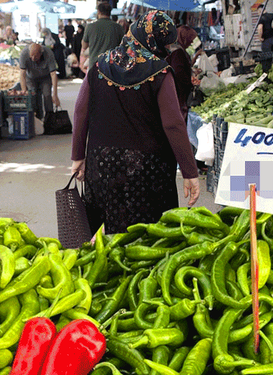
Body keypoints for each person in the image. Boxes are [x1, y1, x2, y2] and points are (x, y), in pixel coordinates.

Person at [70, 10, 201, 234]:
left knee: (108, 234)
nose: (167, 50)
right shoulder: (160, 72)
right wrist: (190, 172)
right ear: (156, 41)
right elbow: (174, 124)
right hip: (147, 170)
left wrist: (78, 156)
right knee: (146, 238)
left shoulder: (100, 65)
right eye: (166, 44)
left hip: (102, 163)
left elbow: (81, 112)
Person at [166, 25, 202, 120]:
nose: (190, 43)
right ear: (184, 38)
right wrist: (188, 82)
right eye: (190, 39)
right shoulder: (177, 52)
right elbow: (178, 73)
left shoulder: (176, 48)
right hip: (179, 94)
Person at [19, 43, 61, 120]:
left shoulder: (48, 53)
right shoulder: (24, 54)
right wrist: (24, 90)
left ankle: (49, 118)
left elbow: (53, 74)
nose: (33, 58)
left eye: (35, 56)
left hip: (45, 77)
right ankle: (37, 118)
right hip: (31, 78)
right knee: (33, 95)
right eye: (31, 56)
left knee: (47, 95)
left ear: (41, 53)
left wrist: (55, 95)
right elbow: (22, 74)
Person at [80, 2, 125, 66]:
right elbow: (123, 45)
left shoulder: (90, 26)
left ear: (99, 12)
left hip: (94, 65)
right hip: (111, 66)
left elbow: (84, 46)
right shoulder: (118, 27)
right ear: (110, 12)